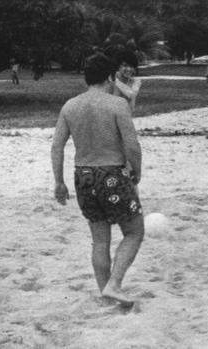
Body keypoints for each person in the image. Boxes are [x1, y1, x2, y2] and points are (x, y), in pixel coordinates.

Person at [51, 53, 144, 307]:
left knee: (100, 239)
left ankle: (106, 293)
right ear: (110, 77)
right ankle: (114, 285)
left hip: (83, 176)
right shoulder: (117, 105)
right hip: (112, 174)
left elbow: (57, 146)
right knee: (134, 231)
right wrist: (137, 170)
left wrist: (59, 182)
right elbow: (132, 145)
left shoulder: (70, 106)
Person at [110, 48, 141, 114]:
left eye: (131, 66)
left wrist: (117, 83)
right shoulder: (109, 82)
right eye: (125, 65)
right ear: (118, 65)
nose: (129, 69)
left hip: (127, 118)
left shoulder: (136, 82)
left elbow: (131, 95)